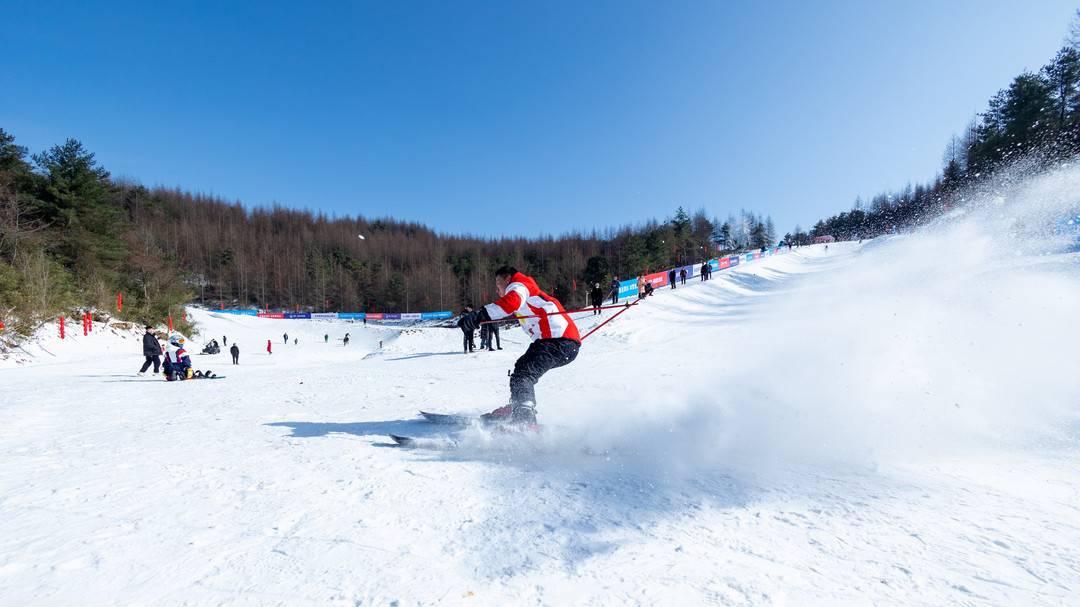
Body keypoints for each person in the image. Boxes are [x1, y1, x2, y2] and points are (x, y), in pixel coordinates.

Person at [460, 266, 580, 425]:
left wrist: (478, 316)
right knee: (522, 369)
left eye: (498, 284)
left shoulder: (519, 285)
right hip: (559, 343)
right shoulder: (527, 291)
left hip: (557, 341)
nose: (498, 290)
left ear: (507, 278)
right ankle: (519, 405)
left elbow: (511, 303)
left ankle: (525, 420)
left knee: (524, 374)